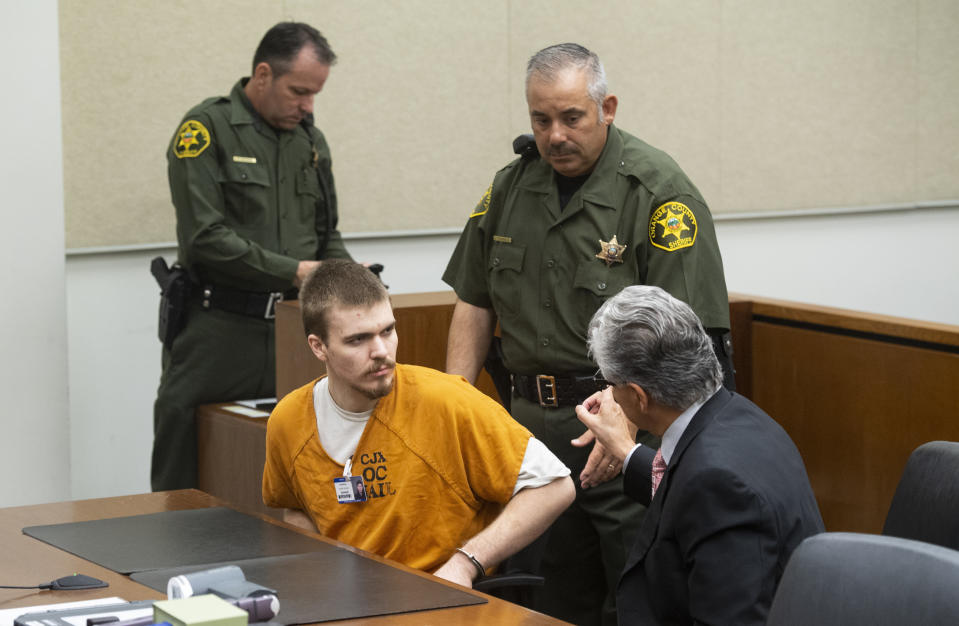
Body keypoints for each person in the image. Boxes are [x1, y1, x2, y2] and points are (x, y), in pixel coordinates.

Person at [442, 42, 732, 623]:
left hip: (627, 429)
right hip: (526, 428)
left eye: (572, 117)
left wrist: (621, 423)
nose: (555, 135)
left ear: (608, 108)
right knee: (544, 597)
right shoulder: (508, 189)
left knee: (636, 592)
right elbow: (473, 300)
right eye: (540, 120)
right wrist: (453, 405)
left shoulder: (658, 193)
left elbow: (684, 338)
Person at [262, 260, 576, 587]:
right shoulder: (289, 421)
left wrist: (466, 564)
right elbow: (296, 509)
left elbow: (555, 485)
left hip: (438, 597)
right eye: (358, 340)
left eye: (387, 331)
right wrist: (321, 582)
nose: (381, 351)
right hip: (347, 602)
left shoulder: (447, 401)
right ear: (318, 346)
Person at [151, 22, 355, 491]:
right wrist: (298, 271)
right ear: (263, 74)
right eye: (299, 91)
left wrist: (348, 280)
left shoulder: (310, 141)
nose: (307, 106)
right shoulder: (206, 130)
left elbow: (328, 235)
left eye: (315, 95)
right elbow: (206, 237)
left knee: (297, 458)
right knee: (185, 449)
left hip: (294, 330)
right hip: (221, 330)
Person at [575, 285, 824, 625]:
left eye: (610, 384)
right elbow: (685, 483)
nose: (611, 396)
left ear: (638, 396)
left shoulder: (717, 485)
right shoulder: (742, 416)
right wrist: (626, 451)